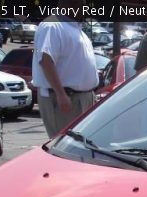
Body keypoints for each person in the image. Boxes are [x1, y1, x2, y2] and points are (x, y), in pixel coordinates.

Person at [32, 0, 99, 138]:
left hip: (81, 98)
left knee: (81, 149)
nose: (86, 9)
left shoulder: (75, 28)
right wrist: (61, 95)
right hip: (66, 99)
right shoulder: (52, 26)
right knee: (66, 148)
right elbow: (46, 61)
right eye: (83, 4)